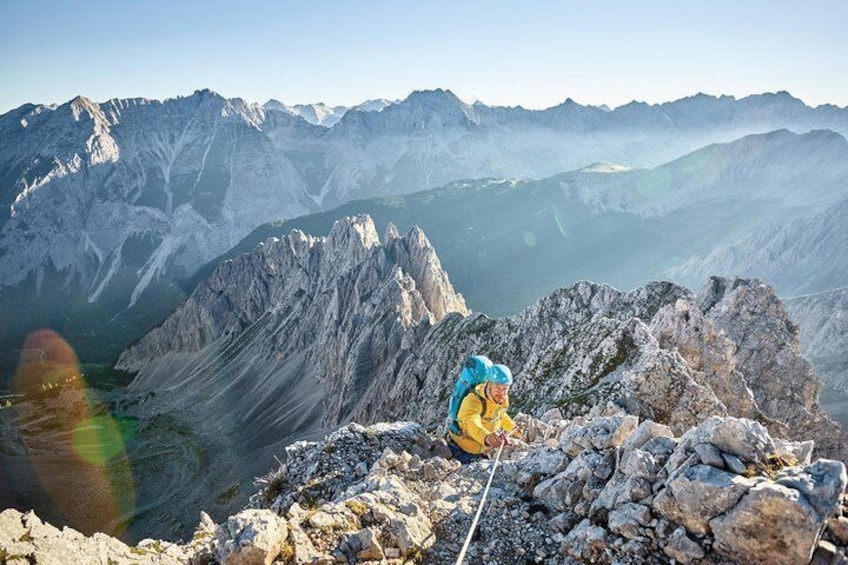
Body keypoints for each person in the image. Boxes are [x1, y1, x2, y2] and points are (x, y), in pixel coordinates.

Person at [447, 363, 519, 464]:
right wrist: (486, 437)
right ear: (489, 384)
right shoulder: (473, 400)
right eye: (497, 388)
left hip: (482, 452)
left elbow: (500, 416)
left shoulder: (499, 399)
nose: (501, 393)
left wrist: (514, 428)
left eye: (505, 389)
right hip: (460, 451)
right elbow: (471, 422)